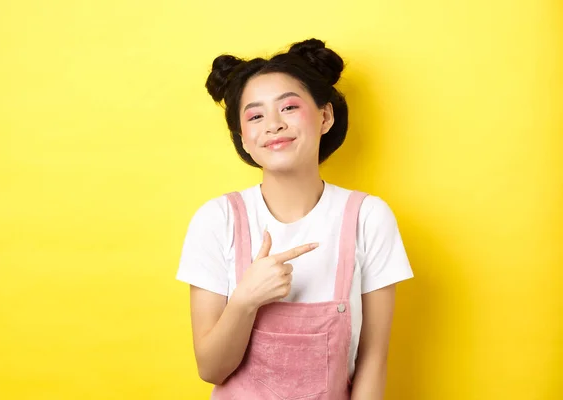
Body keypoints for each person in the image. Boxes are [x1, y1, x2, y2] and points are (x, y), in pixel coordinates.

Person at [176, 38, 414, 400]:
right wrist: (246, 299)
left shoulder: (368, 217)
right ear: (244, 138)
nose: (273, 124)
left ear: (325, 116)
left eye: (288, 107)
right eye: (255, 115)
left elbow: (373, 359)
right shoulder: (216, 220)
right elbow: (211, 368)